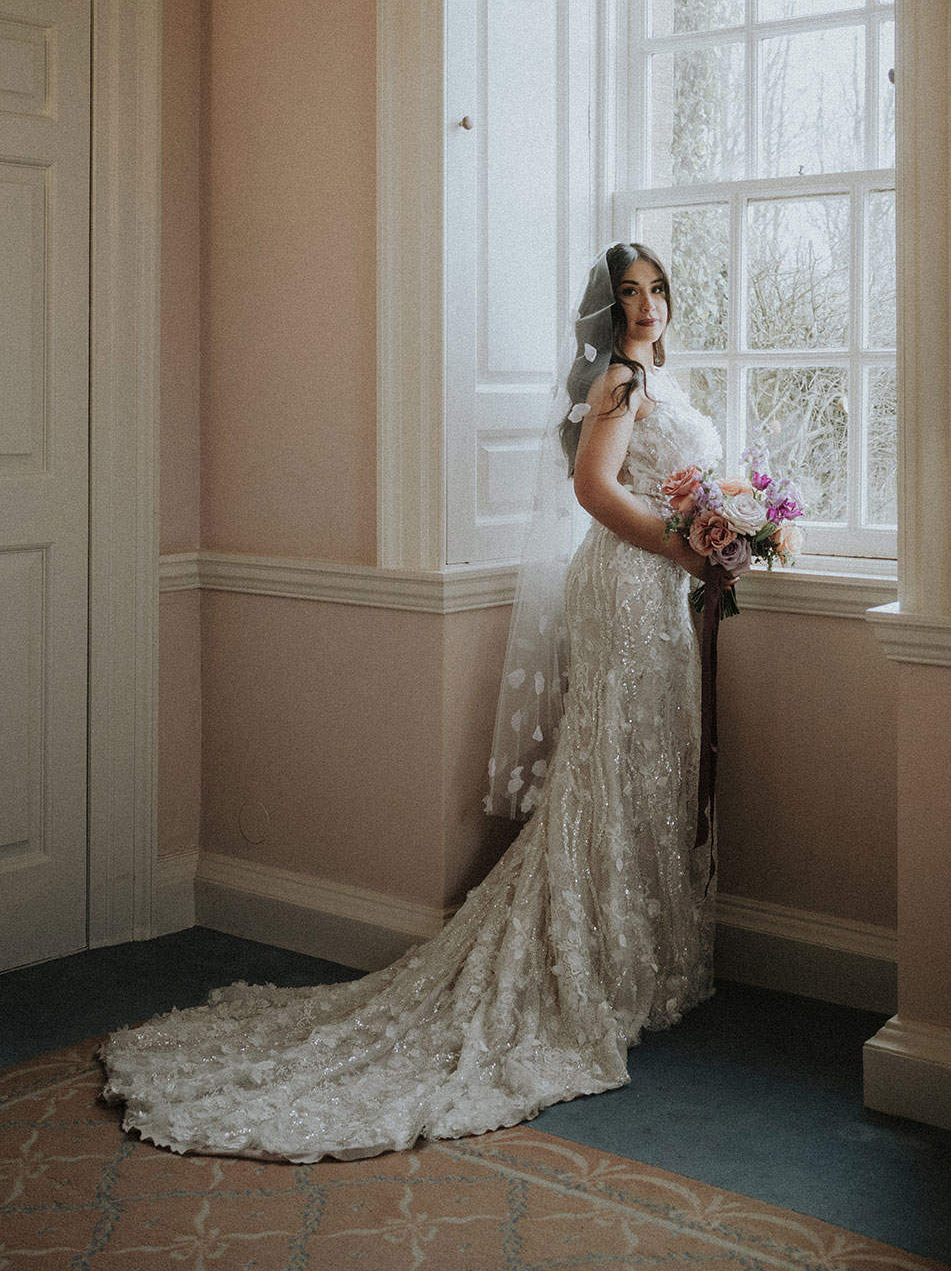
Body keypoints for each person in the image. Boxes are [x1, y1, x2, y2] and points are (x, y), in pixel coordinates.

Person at [101, 244, 725, 1162]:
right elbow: (593, 489)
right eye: (627, 293)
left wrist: (723, 526)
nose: (644, 305)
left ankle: (636, 955)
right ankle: (589, 964)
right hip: (628, 589)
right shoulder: (620, 385)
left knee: (647, 763)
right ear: (610, 310)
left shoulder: (659, 382)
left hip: (660, 594)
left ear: (674, 299)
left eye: (656, 289)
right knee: (609, 762)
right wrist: (682, 548)